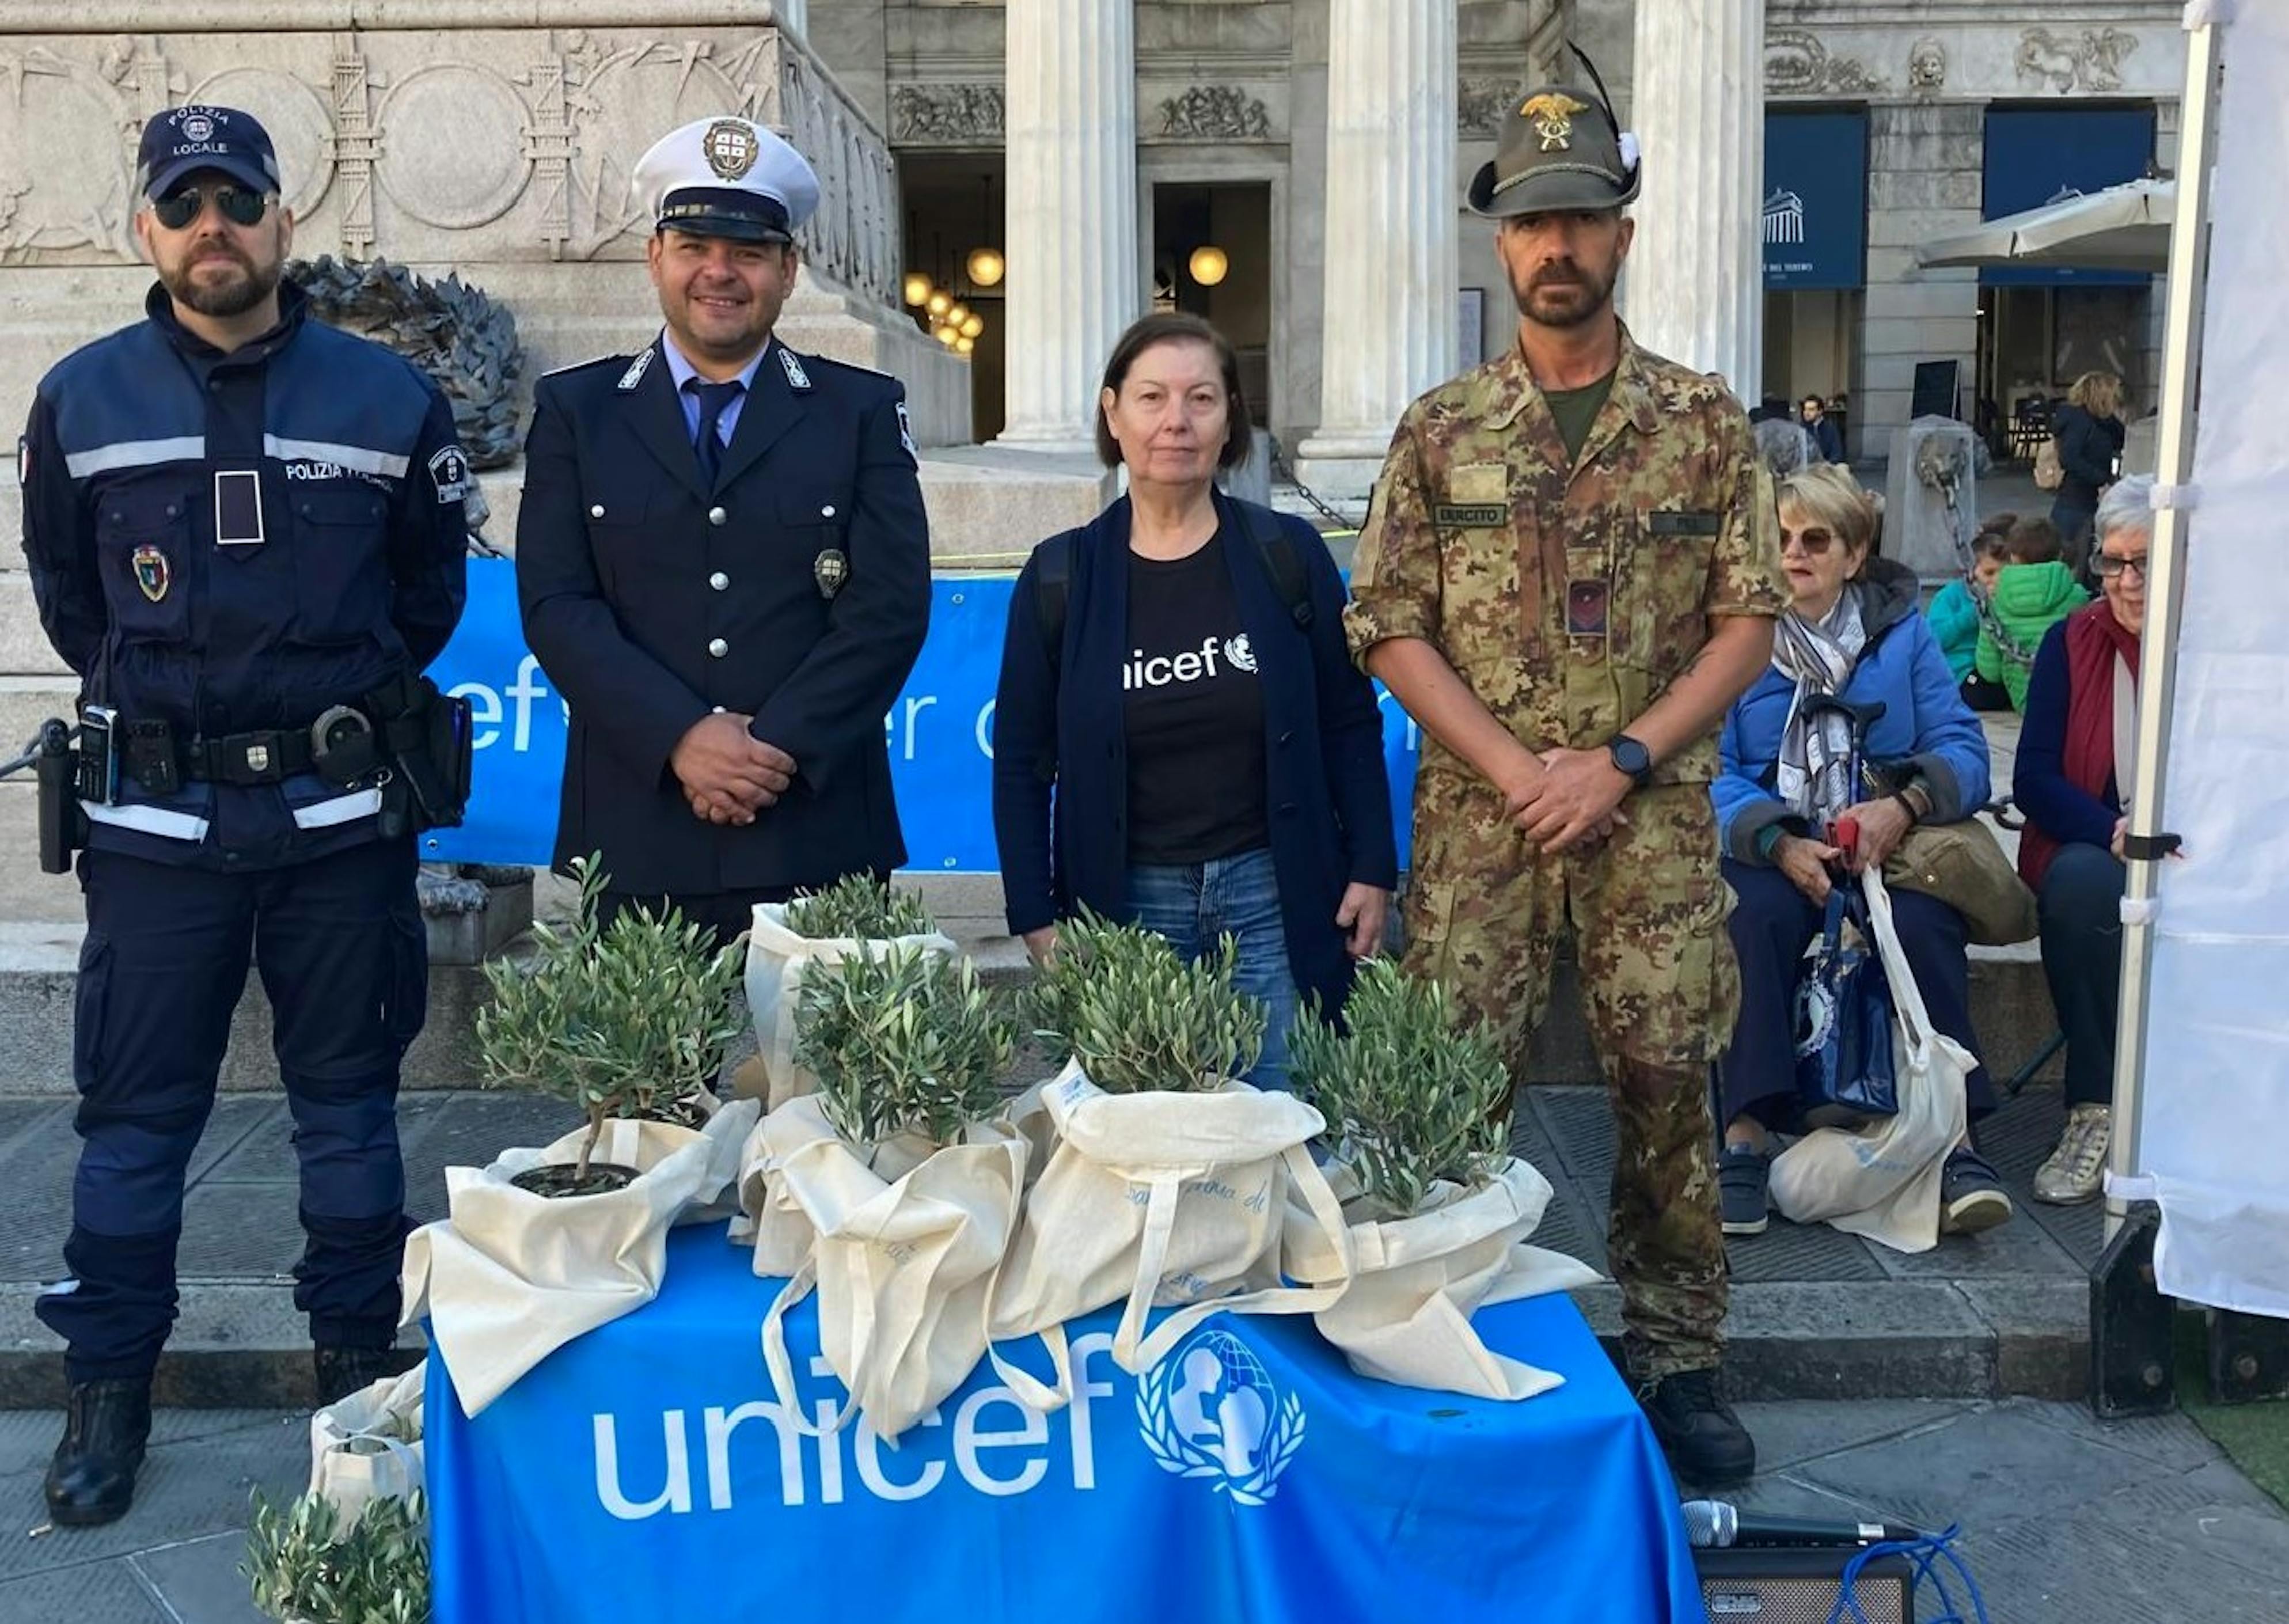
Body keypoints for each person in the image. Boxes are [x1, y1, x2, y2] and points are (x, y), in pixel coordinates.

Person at [18, 105, 470, 1525]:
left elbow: (427, 598)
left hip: (338, 818)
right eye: (185, 203)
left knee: (348, 1116)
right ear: (145, 229)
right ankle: (107, 1392)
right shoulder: (80, 398)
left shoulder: (387, 396)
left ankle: (354, 1384)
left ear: (282, 219)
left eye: (238, 200)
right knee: (135, 1125)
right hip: (156, 832)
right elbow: (70, 599)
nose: (213, 225)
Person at [1344, 79, 1787, 1486]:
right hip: (1479, 819)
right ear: (1497, 241)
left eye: (1580, 221)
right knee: (1450, 1075)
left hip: (1644, 811)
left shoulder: (1701, 421)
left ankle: (1674, 1353)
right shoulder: (1438, 427)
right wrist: (1516, 768)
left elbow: (1746, 618)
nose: (1556, 247)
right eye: (1532, 221)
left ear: (1621, 234)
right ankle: (1439, 1320)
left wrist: (1618, 759)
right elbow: (1388, 623)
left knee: (1663, 1070)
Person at [516, 117, 931, 945]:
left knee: (823, 1079)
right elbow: (559, 605)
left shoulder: (859, 412)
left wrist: (763, 752)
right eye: (694, 245)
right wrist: (681, 738)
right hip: (638, 832)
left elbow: (887, 609)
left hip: (813, 826)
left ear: (787, 270)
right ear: (654, 258)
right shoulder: (577, 412)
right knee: (650, 1081)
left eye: (746, 252)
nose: (719, 272)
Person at [992, 313, 1395, 1087]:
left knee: (1282, 1122)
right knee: (1142, 1137)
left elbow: (1347, 722)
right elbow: (1019, 761)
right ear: (1113, 413)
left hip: (1272, 896)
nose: (1174, 421)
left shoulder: (1286, 554)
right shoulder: (1059, 577)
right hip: (1125, 902)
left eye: (1200, 398)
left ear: (1229, 419)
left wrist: (1372, 865)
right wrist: (1033, 917)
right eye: (1151, 397)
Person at [1710, 465, 2008, 1238]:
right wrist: (1775, 839)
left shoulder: (1902, 636)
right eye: (1779, 540)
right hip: (1777, 844)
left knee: (1919, 925)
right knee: (1751, 918)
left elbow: (1961, 745)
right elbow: (1705, 769)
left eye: (1814, 540)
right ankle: (1743, 1131)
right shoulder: (1733, 636)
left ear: (1853, 553)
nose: (1793, 555)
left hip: (1885, 846)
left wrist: (1903, 803)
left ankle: (1954, 1141)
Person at [2014, 475, 2152, 1204]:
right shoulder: (2073, 640)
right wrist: (2113, 831)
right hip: (2102, 842)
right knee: (2080, 886)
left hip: (2207, 849)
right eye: (2112, 562)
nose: (2126, 581)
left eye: (2145, 563)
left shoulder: (2224, 647)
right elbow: (2032, 777)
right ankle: (2093, 1108)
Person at [1974, 516, 2089, 712]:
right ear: (2060, 555)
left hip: (2022, 700)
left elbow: (1990, 671)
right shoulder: (2077, 597)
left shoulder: (1996, 604)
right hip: (2069, 697)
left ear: (2013, 557)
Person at [2047, 371, 2125, 572]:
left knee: (2083, 558)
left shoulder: (2100, 422)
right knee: (2073, 562)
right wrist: (2102, 479)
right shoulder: (2080, 421)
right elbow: (2070, 458)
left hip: (2086, 499)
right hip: (2075, 500)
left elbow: (2120, 437)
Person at [1927, 522, 2010, 708]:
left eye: (2003, 573)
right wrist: (1971, 615)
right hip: (1963, 673)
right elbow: (1935, 638)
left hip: (1998, 668)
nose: (1996, 580)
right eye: (1989, 573)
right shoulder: (1951, 596)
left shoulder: (2007, 596)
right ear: (1971, 572)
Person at [1801, 395, 1845, 465]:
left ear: (1820, 411)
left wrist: (1827, 465)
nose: (1807, 413)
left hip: (1825, 470)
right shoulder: (1801, 429)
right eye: (1805, 409)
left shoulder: (1831, 429)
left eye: (1811, 410)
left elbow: (1837, 454)